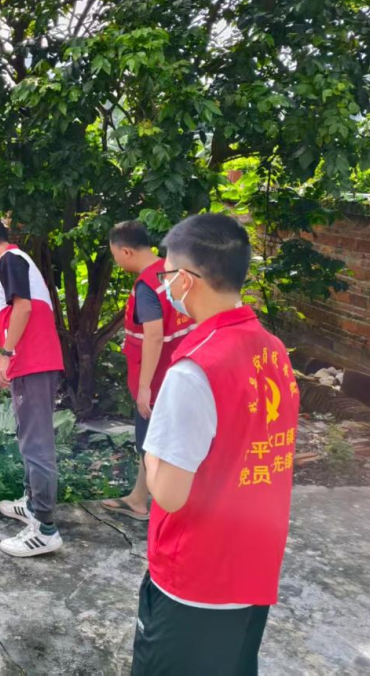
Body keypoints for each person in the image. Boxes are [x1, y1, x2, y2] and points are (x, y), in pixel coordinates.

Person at [132, 214, 300, 675]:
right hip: (253, 566)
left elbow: (169, 493)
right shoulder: (273, 349)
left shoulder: (194, 370)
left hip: (195, 579)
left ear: (186, 280)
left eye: (167, 275)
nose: (164, 286)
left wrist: (152, 449)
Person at [0, 218, 66, 557]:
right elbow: (15, 319)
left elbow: (22, 308)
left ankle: (45, 528)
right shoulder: (17, 261)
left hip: (33, 363)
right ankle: (31, 503)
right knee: (29, 436)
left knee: (36, 443)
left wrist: (6, 355)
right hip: (30, 362)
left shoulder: (9, 260)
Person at [102, 221, 193, 521]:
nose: (116, 259)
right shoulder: (173, 272)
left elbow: (153, 336)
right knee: (160, 438)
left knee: (152, 443)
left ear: (126, 251)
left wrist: (145, 389)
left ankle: (172, 509)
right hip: (182, 368)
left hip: (157, 377)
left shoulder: (146, 286)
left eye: (115, 253)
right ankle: (138, 499)